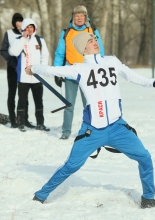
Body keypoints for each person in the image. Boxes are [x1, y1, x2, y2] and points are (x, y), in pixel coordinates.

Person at [26, 32, 155, 208]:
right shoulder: (78, 68)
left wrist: (154, 83)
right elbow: (50, 70)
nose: (95, 42)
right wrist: (33, 67)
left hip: (118, 127)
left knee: (145, 157)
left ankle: (148, 198)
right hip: (93, 131)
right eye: (90, 41)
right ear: (83, 48)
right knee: (71, 166)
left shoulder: (111, 61)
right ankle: (40, 195)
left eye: (95, 39)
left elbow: (131, 76)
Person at [53, 5, 105, 140]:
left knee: (88, 104)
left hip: (88, 74)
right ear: (73, 18)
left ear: (86, 17)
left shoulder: (92, 31)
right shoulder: (66, 32)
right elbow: (60, 53)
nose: (79, 18)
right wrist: (57, 72)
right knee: (69, 105)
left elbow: (100, 51)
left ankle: (90, 129)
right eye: (77, 15)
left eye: (82, 15)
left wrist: (100, 69)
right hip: (71, 72)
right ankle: (66, 132)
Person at [8, 18, 50, 132]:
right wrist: (23, 38)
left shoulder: (39, 40)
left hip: (37, 77)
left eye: (31, 27)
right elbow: (14, 52)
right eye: (27, 28)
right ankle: (21, 122)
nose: (29, 30)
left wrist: (42, 69)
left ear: (34, 28)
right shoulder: (19, 40)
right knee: (22, 100)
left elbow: (45, 55)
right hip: (23, 76)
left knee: (39, 101)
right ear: (23, 29)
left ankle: (40, 123)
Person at [0, 13, 34, 128]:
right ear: (14, 23)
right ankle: (13, 120)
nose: (19, 24)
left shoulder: (27, 33)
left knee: (24, 95)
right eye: (17, 22)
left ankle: (25, 119)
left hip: (25, 69)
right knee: (12, 94)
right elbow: (3, 50)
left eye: (20, 21)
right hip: (13, 68)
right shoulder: (9, 34)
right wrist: (11, 61)